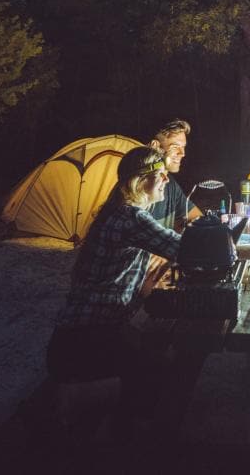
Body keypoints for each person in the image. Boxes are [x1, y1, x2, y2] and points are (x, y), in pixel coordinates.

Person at [45, 146, 181, 435]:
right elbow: (185, 248)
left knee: (158, 355)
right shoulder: (131, 217)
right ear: (139, 181)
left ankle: (112, 424)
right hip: (87, 340)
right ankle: (70, 403)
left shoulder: (117, 212)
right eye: (160, 174)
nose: (166, 179)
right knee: (159, 372)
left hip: (75, 334)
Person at [148, 119, 204, 232]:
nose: (182, 153)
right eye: (175, 147)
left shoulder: (170, 184)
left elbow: (199, 219)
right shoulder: (138, 188)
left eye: (183, 147)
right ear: (155, 146)